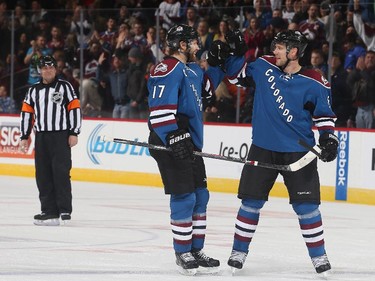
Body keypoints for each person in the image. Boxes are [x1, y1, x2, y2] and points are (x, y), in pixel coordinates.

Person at [208, 29, 338, 275]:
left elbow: (325, 117)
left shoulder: (315, 81)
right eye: (274, 47)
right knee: (250, 203)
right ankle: (239, 252)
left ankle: (319, 257)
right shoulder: (262, 66)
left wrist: (329, 139)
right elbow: (235, 77)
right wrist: (235, 53)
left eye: (279, 48)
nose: (274, 51)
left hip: (299, 154)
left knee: (307, 208)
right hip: (263, 148)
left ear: (294, 52)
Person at [147, 24, 222, 275]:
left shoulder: (193, 70)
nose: (198, 46)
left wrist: (220, 62)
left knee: (201, 197)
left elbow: (208, 93)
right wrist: (174, 137)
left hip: (189, 142)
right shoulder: (167, 68)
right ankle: (182, 252)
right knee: (185, 197)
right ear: (181, 45)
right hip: (169, 141)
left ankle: (196, 249)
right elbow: (158, 113)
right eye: (193, 42)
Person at [19, 55, 82, 226]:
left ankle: (64, 211)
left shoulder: (65, 87)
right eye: (45, 68)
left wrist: (74, 132)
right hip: (42, 137)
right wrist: (24, 136)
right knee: (43, 174)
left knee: (61, 173)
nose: (48, 70)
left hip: (60, 136)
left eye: (51, 67)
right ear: (40, 70)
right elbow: (27, 113)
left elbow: (74, 109)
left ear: (55, 69)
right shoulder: (33, 90)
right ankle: (48, 211)